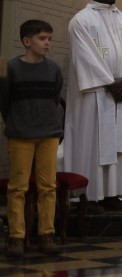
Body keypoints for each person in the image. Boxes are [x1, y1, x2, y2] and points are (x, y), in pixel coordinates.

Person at [62, 0, 122, 211]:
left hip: (120, 94)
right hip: (95, 96)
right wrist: (112, 84)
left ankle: (112, 194)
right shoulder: (81, 21)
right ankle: (89, 196)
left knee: (118, 146)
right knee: (93, 145)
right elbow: (85, 57)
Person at [1, 20, 64, 257]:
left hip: (49, 134)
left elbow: (54, 99)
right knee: (17, 187)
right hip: (20, 134)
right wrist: (18, 122)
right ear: (27, 41)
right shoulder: (11, 68)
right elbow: (4, 102)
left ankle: (46, 234)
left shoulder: (54, 69)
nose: (47, 43)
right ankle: (17, 236)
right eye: (42, 38)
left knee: (48, 186)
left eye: (49, 38)